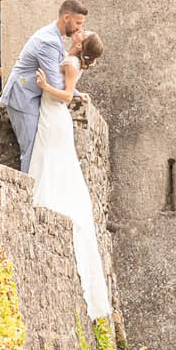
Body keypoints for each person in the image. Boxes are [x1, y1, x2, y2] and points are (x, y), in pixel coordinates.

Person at [30, 31, 112, 321]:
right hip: (54, 116)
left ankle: (47, 200)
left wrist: (42, 85)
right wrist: (76, 92)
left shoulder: (72, 63)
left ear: (81, 45)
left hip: (54, 114)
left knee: (50, 158)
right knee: (52, 160)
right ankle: (47, 196)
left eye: (83, 33)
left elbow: (64, 95)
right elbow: (71, 89)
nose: (79, 32)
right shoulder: (72, 61)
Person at [3, 0, 85, 172]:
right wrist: (73, 91)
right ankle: (26, 197)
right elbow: (55, 82)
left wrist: (76, 92)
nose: (79, 28)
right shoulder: (49, 41)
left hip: (31, 96)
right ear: (66, 17)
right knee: (31, 151)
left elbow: (58, 71)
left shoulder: (55, 37)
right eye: (77, 23)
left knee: (37, 149)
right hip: (22, 97)